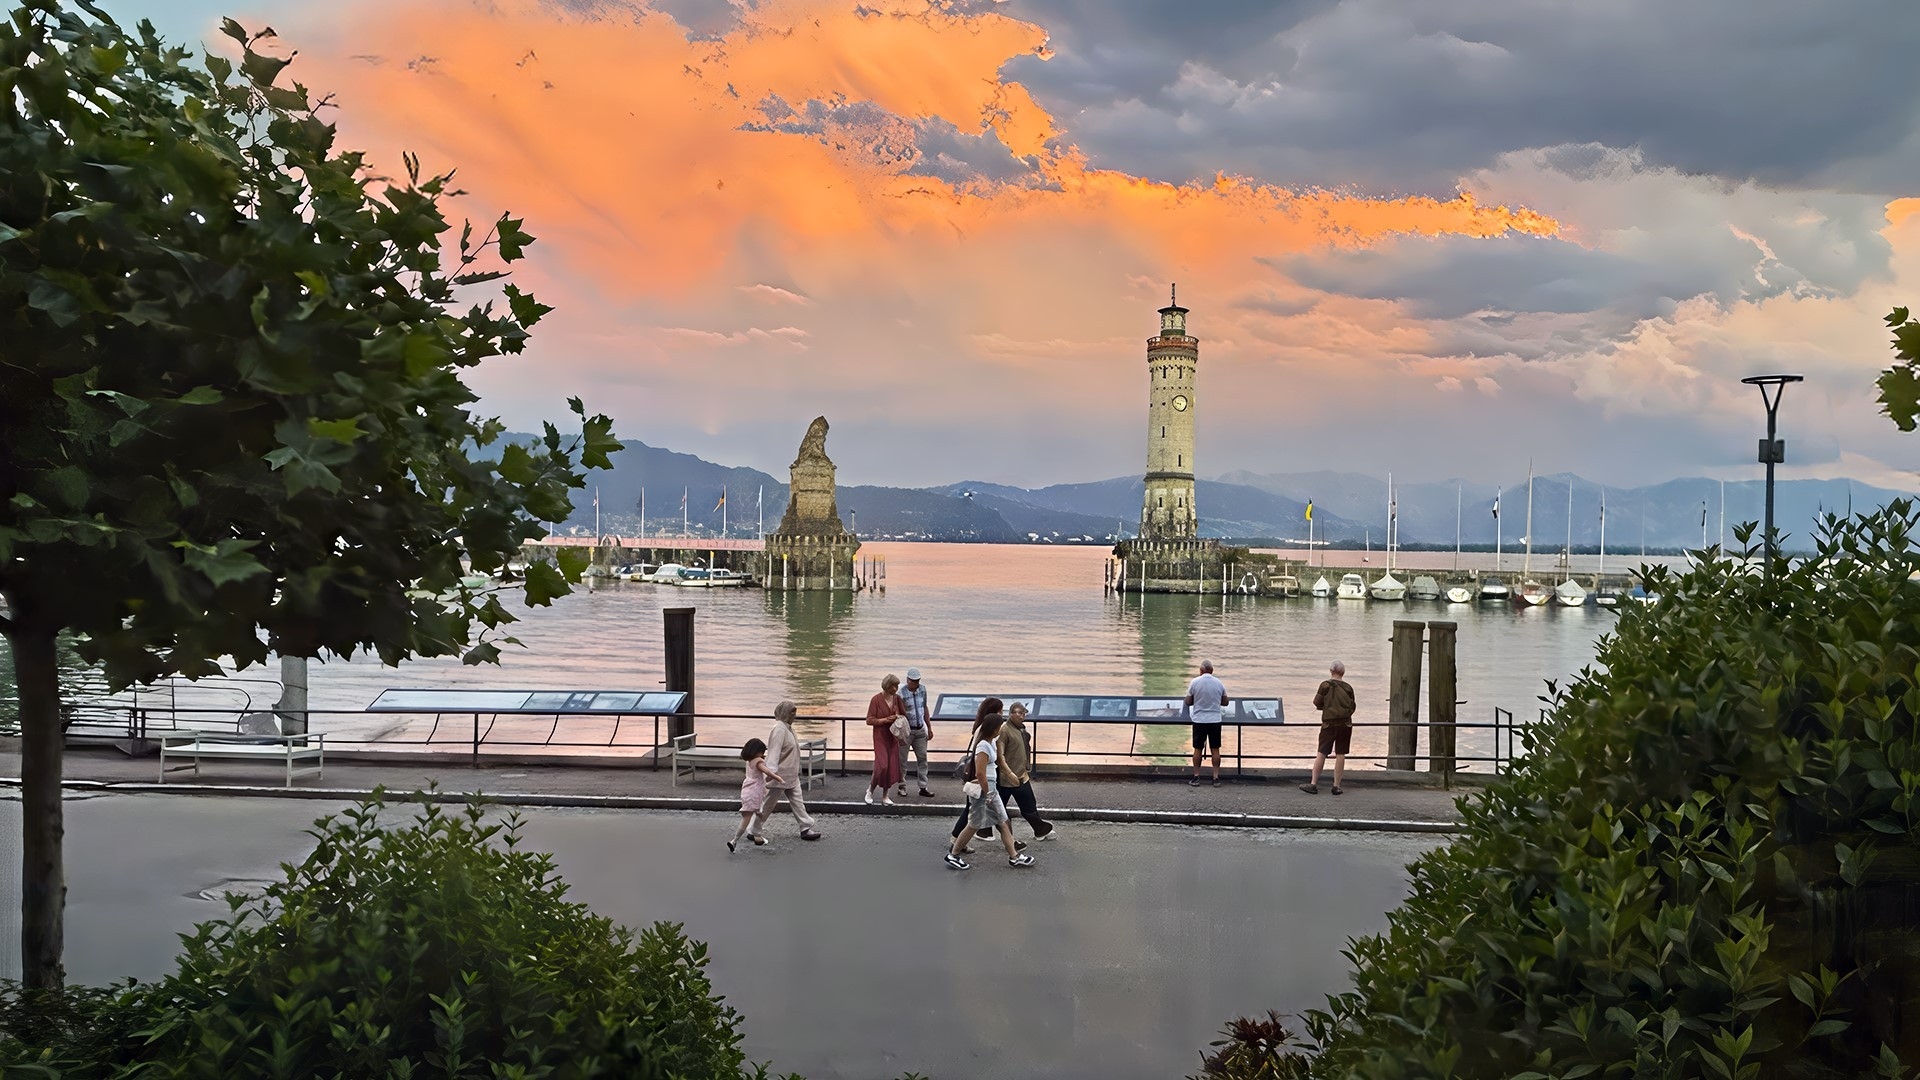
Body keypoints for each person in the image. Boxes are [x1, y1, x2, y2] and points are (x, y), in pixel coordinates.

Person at [946, 704, 1036, 870]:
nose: (1000, 730)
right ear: (993, 729)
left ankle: (1014, 857)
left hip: (991, 790)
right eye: (998, 727)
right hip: (986, 791)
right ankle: (954, 854)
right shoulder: (983, 747)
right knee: (973, 824)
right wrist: (988, 794)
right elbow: (980, 773)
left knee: (1002, 822)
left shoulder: (990, 743)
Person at [751, 701, 823, 842]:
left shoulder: (788, 728)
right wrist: (771, 773)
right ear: (785, 713)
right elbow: (774, 752)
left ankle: (805, 827)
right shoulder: (779, 730)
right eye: (792, 712)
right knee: (768, 804)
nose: (794, 715)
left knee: (797, 801)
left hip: (791, 774)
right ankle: (754, 829)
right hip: (780, 775)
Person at [996, 702, 1055, 840]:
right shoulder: (1004, 731)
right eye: (1019, 713)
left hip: (1021, 775)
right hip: (1007, 778)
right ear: (1010, 714)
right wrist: (1009, 773)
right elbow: (1000, 755)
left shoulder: (1020, 729)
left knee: (1029, 805)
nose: (1022, 716)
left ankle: (1040, 829)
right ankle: (981, 831)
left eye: (1024, 713)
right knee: (998, 810)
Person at [1302, 660, 1356, 795]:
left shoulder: (1325, 685)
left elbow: (1316, 702)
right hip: (1345, 724)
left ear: (1331, 671)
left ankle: (1313, 784)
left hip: (1328, 724)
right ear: (1343, 673)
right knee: (1341, 754)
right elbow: (1353, 706)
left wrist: (1325, 707)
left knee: (1322, 752)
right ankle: (1336, 786)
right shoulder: (1348, 688)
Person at [729, 739, 781, 852]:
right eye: (762, 751)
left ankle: (757, 836)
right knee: (749, 817)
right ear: (758, 751)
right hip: (755, 791)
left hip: (747, 790)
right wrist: (777, 777)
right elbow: (766, 771)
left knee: (757, 812)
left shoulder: (749, 761)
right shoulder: (758, 761)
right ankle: (734, 840)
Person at [1185, 659, 1230, 787]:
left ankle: (1196, 777)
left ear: (1201, 670)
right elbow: (1225, 702)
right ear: (1212, 671)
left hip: (1199, 720)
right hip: (1215, 720)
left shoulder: (1195, 682)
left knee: (1197, 749)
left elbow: (1188, 701)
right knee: (1215, 750)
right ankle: (1215, 777)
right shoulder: (1219, 683)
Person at [864, 673, 906, 805]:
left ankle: (885, 795)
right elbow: (869, 720)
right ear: (887, 686)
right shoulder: (876, 699)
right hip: (880, 736)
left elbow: (903, 714)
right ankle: (870, 790)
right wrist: (885, 720)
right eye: (893, 686)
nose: (895, 688)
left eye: (897, 686)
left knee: (891, 766)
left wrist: (897, 717)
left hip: (893, 736)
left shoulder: (896, 699)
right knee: (882, 765)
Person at [895, 667, 935, 798]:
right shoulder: (901, 693)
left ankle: (923, 786)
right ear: (907, 680)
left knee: (923, 758)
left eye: (917, 681)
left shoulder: (922, 690)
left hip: (920, 729)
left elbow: (924, 708)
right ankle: (902, 786)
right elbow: (898, 712)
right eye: (913, 681)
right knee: (902, 760)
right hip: (907, 731)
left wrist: (929, 727)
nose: (916, 684)